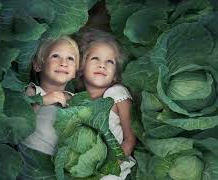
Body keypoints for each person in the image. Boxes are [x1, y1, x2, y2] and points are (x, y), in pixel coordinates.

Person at [77, 29, 136, 179]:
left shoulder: (116, 94)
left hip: (113, 170)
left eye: (110, 61)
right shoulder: (76, 101)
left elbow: (130, 139)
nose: (102, 65)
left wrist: (108, 167)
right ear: (81, 66)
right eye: (95, 59)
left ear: (115, 74)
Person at [18, 36, 80, 179]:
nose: (63, 63)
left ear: (75, 72)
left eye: (70, 59)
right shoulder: (33, 92)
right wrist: (41, 101)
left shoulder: (75, 99)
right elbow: (19, 125)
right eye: (55, 56)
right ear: (38, 65)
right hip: (33, 162)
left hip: (64, 166)